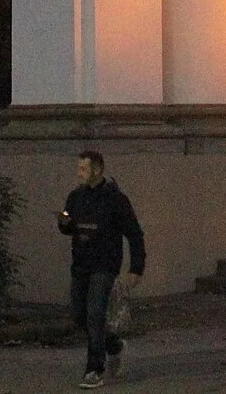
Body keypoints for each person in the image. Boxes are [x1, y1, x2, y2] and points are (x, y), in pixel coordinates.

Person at [58, 149, 145, 388]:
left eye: (84, 169)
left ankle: (94, 369)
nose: (79, 173)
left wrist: (136, 268)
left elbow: (134, 234)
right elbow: (68, 224)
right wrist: (64, 223)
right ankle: (114, 345)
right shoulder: (75, 197)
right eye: (78, 168)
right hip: (81, 264)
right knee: (80, 316)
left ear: (98, 170)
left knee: (96, 312)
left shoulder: (115, 200)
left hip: (104, 265)